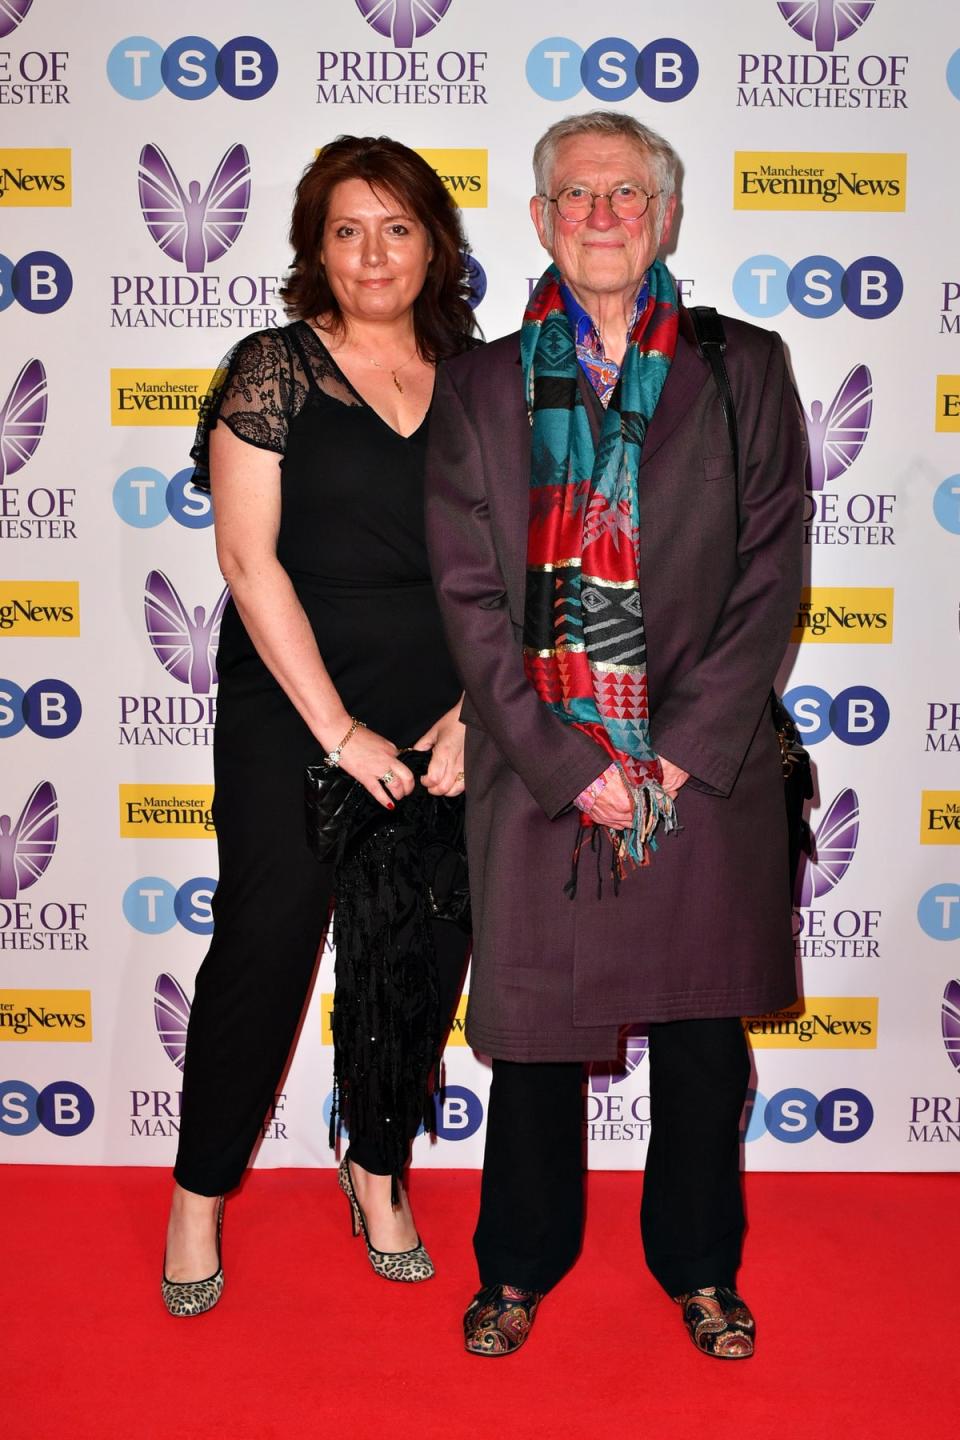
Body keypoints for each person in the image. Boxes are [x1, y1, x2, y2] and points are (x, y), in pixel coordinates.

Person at [425, 111, 805, 1359]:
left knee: (702, 1036)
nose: (601, 217)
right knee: (533, 1035)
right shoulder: (477, 384)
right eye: (575, 197)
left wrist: (682, 751)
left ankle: (700, 1266)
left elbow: (771, 574)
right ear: (538, 221)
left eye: (626, 196)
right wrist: (566, 762)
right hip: (542, 772)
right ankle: (518, 1268)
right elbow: (470, 596)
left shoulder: (742, 364)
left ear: (666, 219)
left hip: (703, 770)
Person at [160, 135, 477, 1316]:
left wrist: (465, 718)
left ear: (434, 242)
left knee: (418, 957)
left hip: (444, 718)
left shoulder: (480, 378)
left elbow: (506, 571)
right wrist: (339, 731)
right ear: (315, 247)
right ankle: (199, 1195)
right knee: (263, 953)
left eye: (395, 227)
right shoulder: (272, 369)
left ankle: (376, 1165)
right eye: (347, 229)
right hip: (294, 713)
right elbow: (248, 562)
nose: (372, 252)